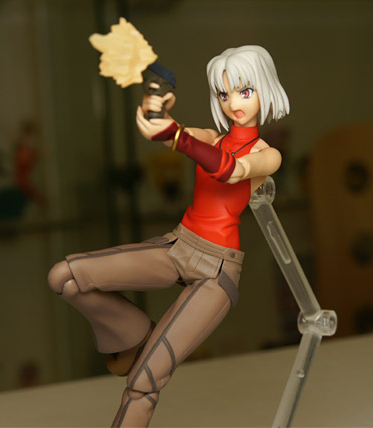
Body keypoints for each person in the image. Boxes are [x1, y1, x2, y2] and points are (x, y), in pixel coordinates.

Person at [48, 45, 289, 427]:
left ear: (264, 88)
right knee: (64, 277)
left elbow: (232, 170)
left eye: (244, 92)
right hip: (178, 245)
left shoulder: (267, 154)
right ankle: (132, 333)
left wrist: (179, 137)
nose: (233, 103)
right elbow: (171, 135)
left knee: (143, 382)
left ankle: (142, 356)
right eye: (223, 94)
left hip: (217, 270)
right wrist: (155, 110)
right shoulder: (211, 137)